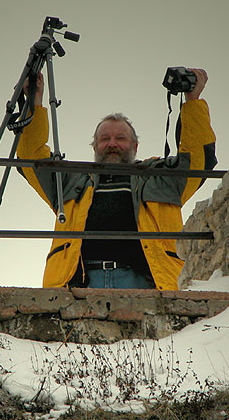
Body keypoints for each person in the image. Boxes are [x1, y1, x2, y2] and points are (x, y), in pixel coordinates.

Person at [17, 69, 216, 290]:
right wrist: (34, 104)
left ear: (135, 146)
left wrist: (192, 101)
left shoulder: (161, 178)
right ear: (95, 147)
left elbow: (198, 161)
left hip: (146, 282)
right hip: (80, 282)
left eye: (120, 138)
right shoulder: (70, 180)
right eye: (105, 139)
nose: (112, 143)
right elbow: (31, 158)